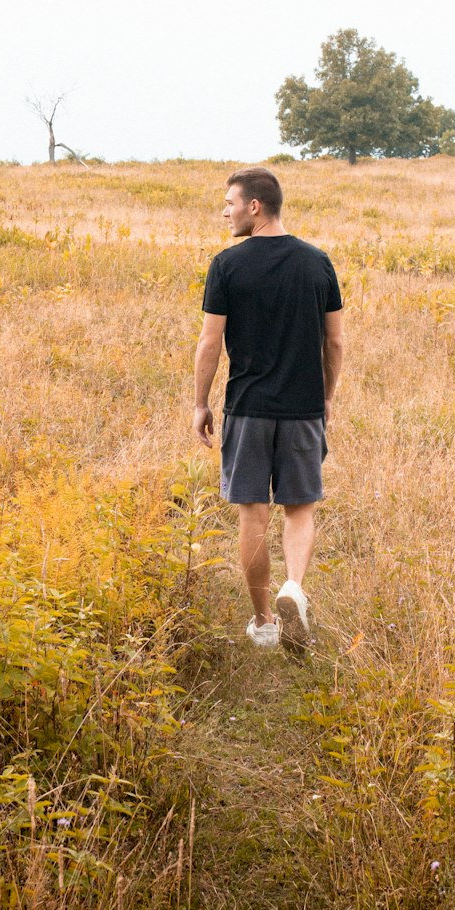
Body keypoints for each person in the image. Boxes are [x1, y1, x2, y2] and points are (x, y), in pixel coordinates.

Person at [193, 166, 343, 652]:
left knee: (252, 515)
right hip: (303, 409)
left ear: (254, 206)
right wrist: (325, 398)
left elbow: (209, 342)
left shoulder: (227, 265)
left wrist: (200, 403)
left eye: (229, 202)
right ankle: (293, 588)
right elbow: (335, 342)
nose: (225, 211)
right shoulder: (318, 262)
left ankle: (263, 623)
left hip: (249, 408)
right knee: (300, 508)